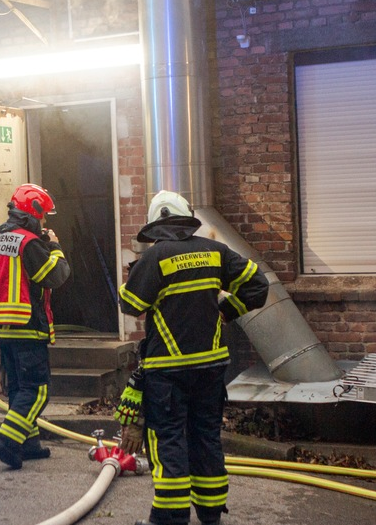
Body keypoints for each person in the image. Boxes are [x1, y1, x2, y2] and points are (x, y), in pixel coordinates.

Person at [117, 190, 269, 525]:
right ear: (187, 218)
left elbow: (130, 304)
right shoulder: (216, 252)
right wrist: (226, 310)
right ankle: (210, 513)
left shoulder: (155, 257)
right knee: (205, 438)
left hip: (167, 371)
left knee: (168, 439)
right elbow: (258, 286)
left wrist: (134, 276)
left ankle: (169, 518)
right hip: (211, 368)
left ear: (155, 225)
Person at [0, 183, 71, 469]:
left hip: (3, 329)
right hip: (29, 328)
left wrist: (0, 308)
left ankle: (28, 444)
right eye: (42, 217)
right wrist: (55, 247)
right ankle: (6, 443)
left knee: (19, 388)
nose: (43, 223)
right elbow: (56, 276)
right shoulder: (28, 243)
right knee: (36, 391)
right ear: (33, 213)